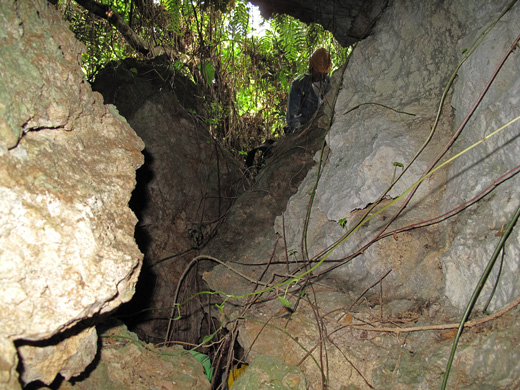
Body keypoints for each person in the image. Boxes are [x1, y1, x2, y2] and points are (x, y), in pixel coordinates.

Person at [286, 48, 332, 133]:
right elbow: (292, 117)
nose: (320, 75)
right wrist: (299, 131)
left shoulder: (329, 82)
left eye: (323, 73)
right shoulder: (298, 85)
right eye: (318, 71)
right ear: (311, 66)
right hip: (304, 129)